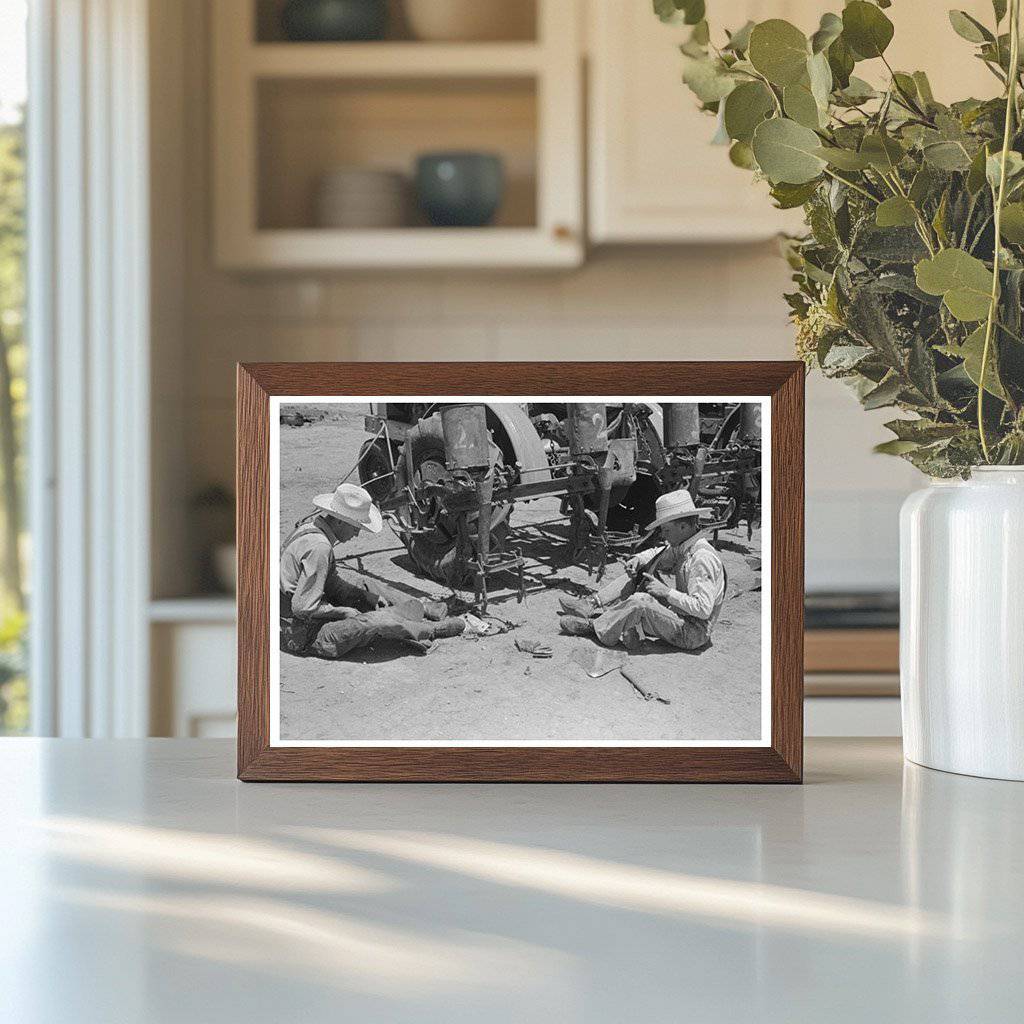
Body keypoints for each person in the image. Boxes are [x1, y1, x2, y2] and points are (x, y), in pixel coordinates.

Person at [279, 483, 465, 658]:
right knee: (372, 621)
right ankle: (430, 631)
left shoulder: (311, 529)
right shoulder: (319, 547)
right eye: (356, 527)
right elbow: (302, 608)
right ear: (339, 522)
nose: (357, 534)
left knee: (364, 584)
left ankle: (422, 608)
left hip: (307, 608)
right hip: (305, 634)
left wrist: (365, 596)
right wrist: (342, 611)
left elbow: (331, 583)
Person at [559, 489, 726, 651]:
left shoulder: (702, 558)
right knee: (641, 572)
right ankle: (589, 605)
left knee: (640, 601)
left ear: (682, 527)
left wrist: (667, 592)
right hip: (680, 615)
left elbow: (703, 610)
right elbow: (657, 553)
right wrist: (637, 560)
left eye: (666, 530)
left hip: (693, 632)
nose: (663, 535)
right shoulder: (684, 545)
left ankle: (596, 628)